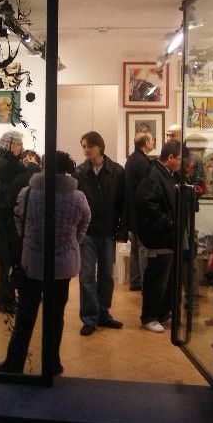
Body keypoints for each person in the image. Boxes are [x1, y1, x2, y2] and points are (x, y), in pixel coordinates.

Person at [0, 151, 91, 375]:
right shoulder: (78, 197)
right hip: (63, 263)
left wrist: (32, 242)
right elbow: (84, 223)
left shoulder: (28, 193)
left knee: (26, 315)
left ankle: (14, 363)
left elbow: (20, 222)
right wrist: (71, 243)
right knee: (56, 316)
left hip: (33, 261)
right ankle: (52, 363)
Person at [75, 131, 127, 336]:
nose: (86, 150)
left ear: (100, 147)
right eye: (84, 146)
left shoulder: (117, 171)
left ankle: (103, 314)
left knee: (106, 275)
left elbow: (124, 202)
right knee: (86, 275)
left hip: (108, 231)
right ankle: (89, 318)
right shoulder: (79, 172)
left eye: (90, 146)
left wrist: (122, 229)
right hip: (86, 232)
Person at [0, 130, 39, 313]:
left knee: (9, 261)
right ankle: (4, 301)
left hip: (6, 220)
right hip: (5, 222)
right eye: (18, 144)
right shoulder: (3, 163)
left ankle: (7, 299)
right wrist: (32, 167)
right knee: (6, 262)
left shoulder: (6, 162)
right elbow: (17, 183)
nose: (21, 148)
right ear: (9, 145)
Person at [135, 140, 182, 332]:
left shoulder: (167, 174)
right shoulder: (154, 175)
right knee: (155, 279)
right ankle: (149, 317)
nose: (181, 162)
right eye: (180, 158)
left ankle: (162, 313)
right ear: (170, 157)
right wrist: (170, 224)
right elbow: (149, 207)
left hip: (166, 237)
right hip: (157, 238)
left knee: (167, 280)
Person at [125, 132, 154, 290]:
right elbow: (146, 189)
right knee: (143, 249)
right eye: (152, 140)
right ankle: (145, 284)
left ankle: (135, 281)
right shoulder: (142, 162)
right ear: (146, 143)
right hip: (141, 213)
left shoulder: (131, 159)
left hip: (132, 212)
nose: (153, 143)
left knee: (135, 249)